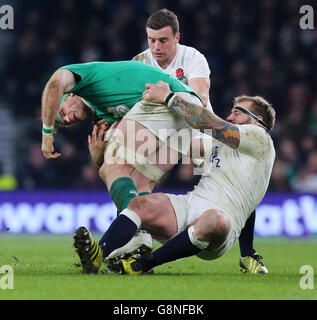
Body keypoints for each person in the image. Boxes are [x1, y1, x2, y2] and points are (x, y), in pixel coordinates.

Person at [88, 8, 266, 273]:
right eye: (151, 40)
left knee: (240, 176)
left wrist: (166, 96)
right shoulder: (140, 62)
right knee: (121, 173)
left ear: (177, 38)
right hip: (162, 134)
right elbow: (129, 109)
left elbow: (200, 100)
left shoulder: (192, 57)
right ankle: (133, 244)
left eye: (163, 40)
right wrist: (110, 139)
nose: (156, 47)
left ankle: (248, 254)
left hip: (198, 133)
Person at [73, 86, 276, 275]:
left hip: (221, 226)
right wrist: (104, 154)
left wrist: (169, 97)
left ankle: (144, 263)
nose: (229, 116)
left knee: (216, 219)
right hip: (190, 206)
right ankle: (99, 253)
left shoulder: (260, 138)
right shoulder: (224, 147)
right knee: (140, 203)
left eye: (237, 112)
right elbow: (171, 143)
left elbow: (210, 123)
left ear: (256, 120)